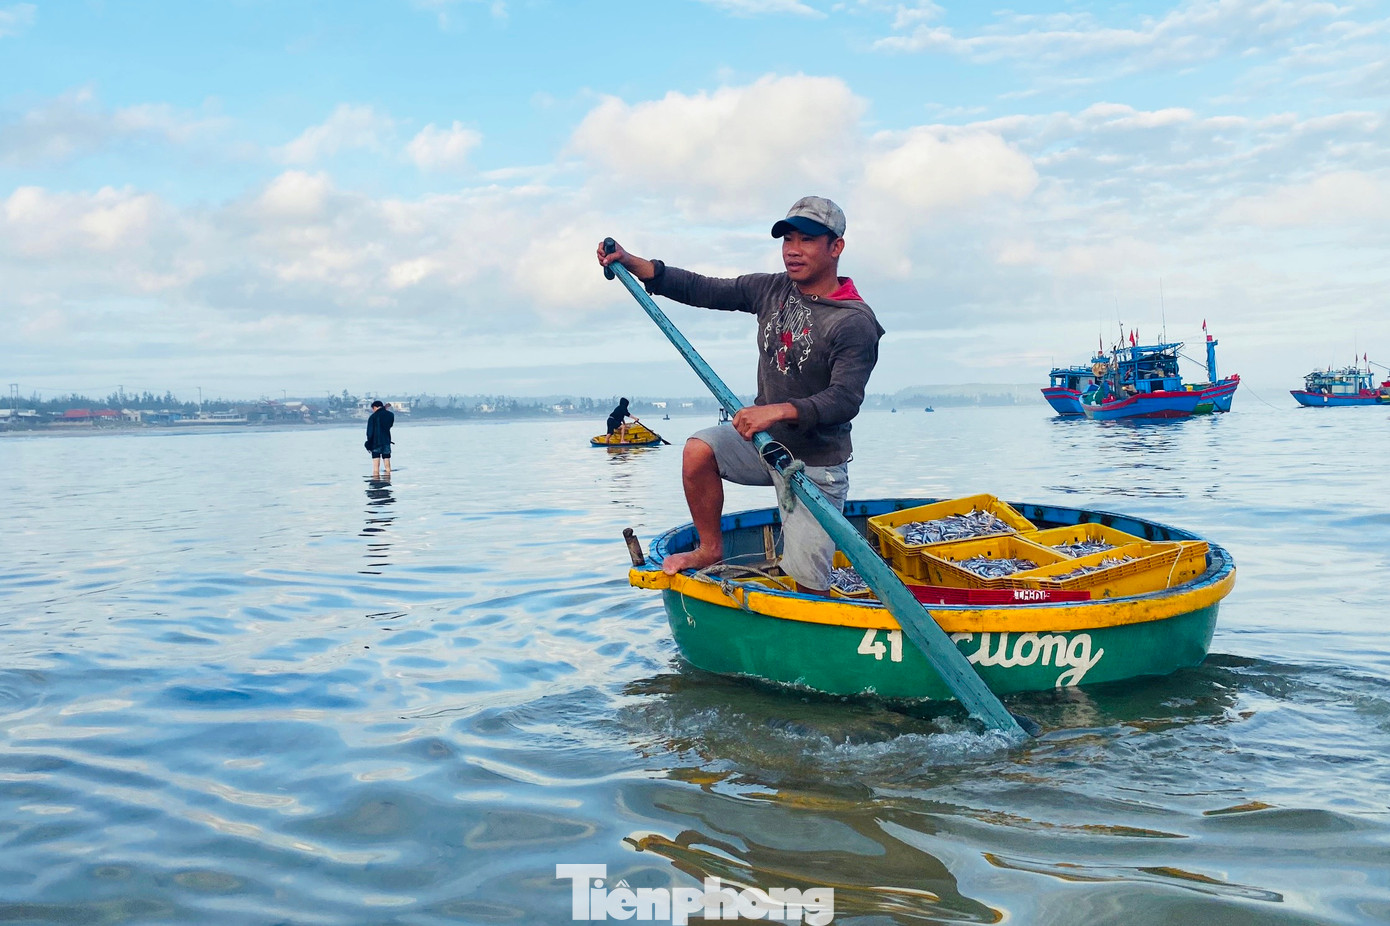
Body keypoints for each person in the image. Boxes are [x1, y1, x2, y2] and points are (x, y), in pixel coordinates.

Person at [597, 196, 883, 594]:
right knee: (699, 449)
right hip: (764, 446)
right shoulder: (772, 289)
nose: (793, 251)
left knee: (809, 587)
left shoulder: (854, 321)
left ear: (836, 247)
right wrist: (634, 263)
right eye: (787, 240)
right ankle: (710, 549)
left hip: (815, 464)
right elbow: (704, 289)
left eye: (807, 240)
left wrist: (777, 410)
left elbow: (844, 400)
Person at [365, 400, 394, 479]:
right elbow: (389, 425)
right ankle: (388, 481)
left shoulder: (372, 417)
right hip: (386, 441)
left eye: (373, 409)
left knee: (375, 467)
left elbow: (369, 432)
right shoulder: (390, 415)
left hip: (375, 442)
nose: (373, 411)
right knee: (387, 463)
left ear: (375, 407)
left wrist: (368, 443)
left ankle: (376, 480)